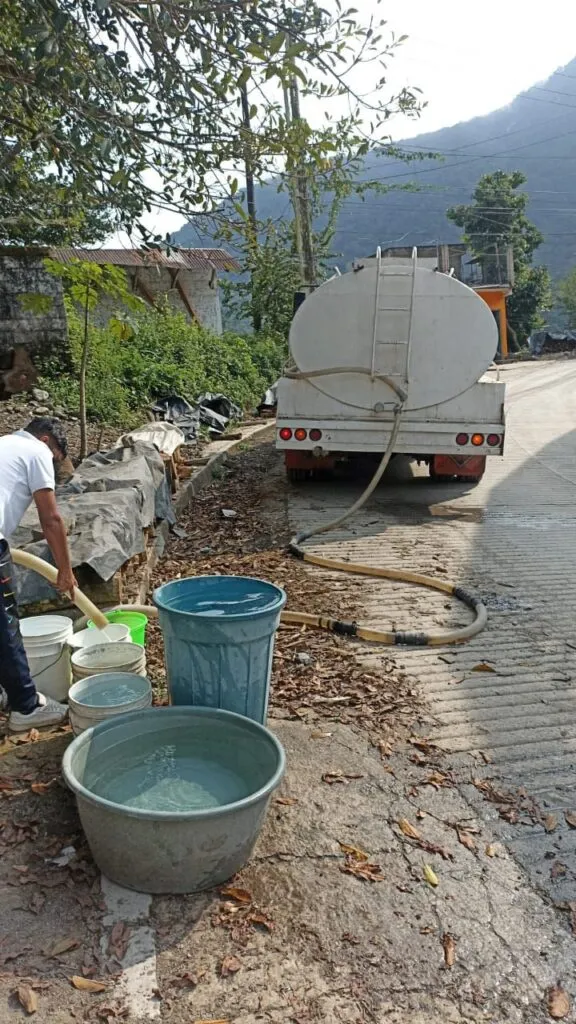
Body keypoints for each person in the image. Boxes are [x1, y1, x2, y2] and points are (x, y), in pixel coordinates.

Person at [0, 418, 77, 731]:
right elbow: (51, 519)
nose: (55, 465)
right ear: (46, 440)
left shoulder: (6, 445)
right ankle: (26, 707)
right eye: (57, 458)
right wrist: (65, 571)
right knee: (4, 626)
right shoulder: (37, 451)